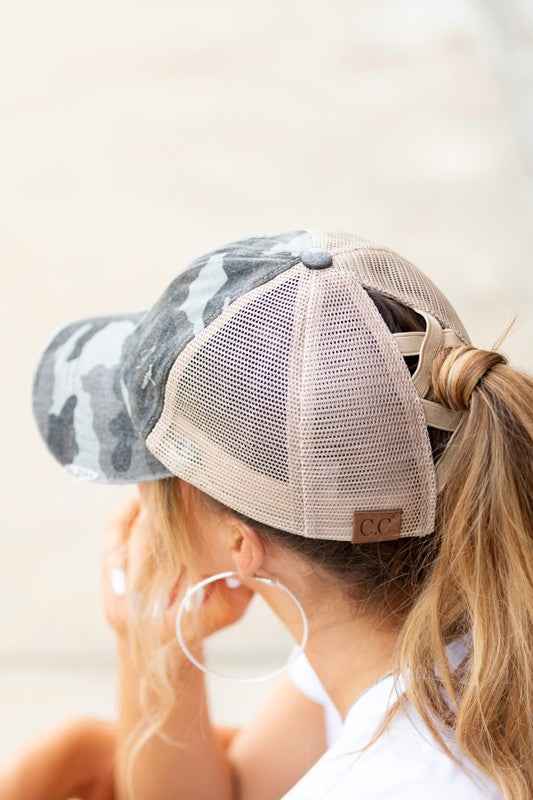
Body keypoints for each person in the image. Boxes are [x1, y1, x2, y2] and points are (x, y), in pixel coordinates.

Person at [2, 229, 532, 799]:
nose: (147, 508)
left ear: (242, 547)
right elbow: (235, 790)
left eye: (163, 477)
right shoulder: (452, 614)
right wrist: (152, 641)